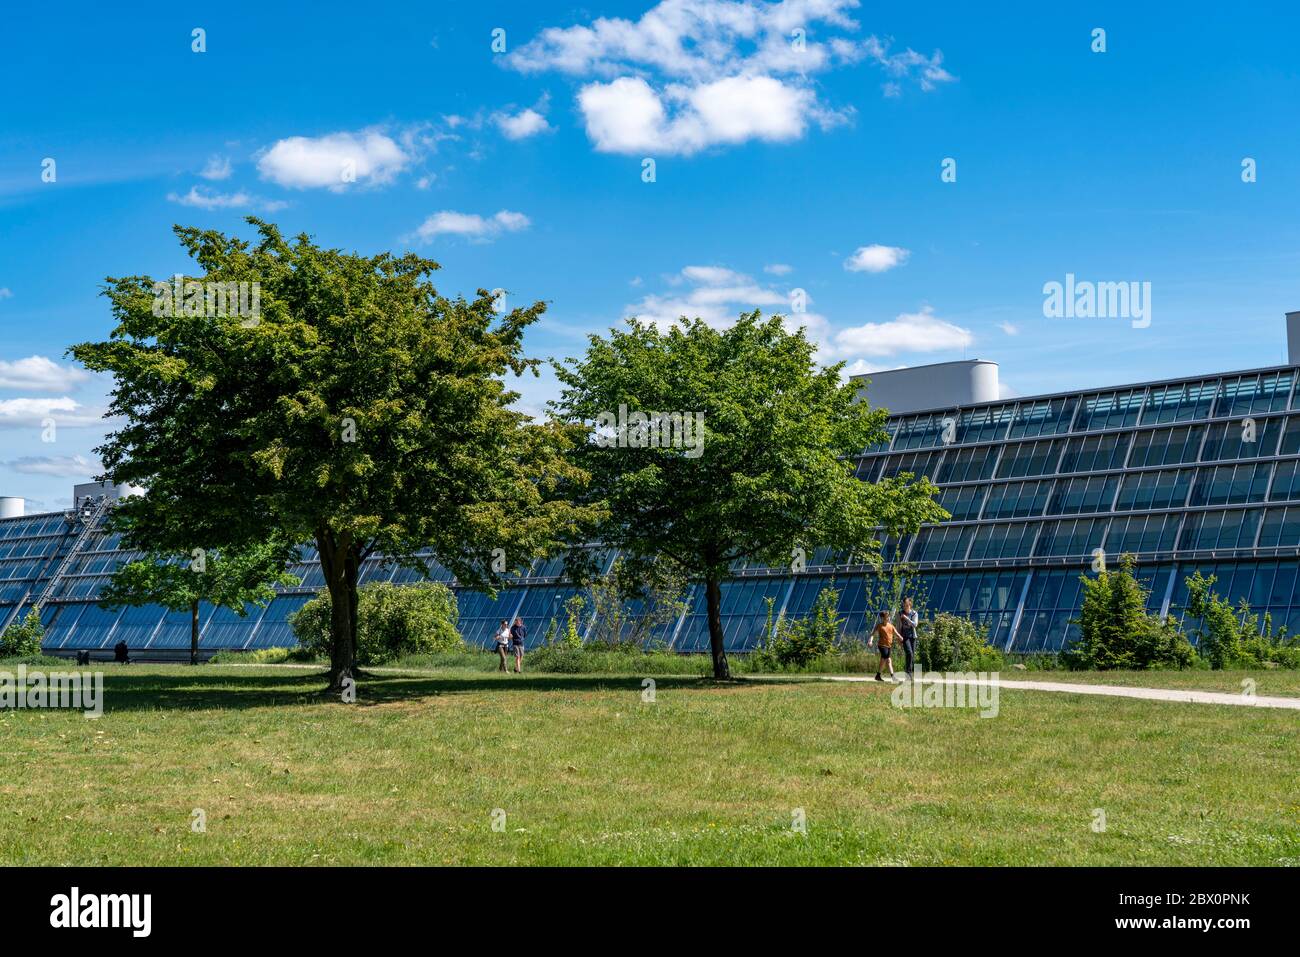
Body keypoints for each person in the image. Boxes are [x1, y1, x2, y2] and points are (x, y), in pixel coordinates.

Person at [870, 611, 897, 682]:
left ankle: (878, 675)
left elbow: (896, 633)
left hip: (889, 646)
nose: (888, 618)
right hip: (882, 645)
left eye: (888, 617)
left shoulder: (890, 626)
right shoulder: (879, 626)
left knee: (887, 660)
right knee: (886, 658)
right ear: (882, 618)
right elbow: (873, 634)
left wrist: (901, 638)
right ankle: (892, 676)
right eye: (886, 617)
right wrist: (870, 641)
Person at [897, 597, 919, 679]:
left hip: (912, 636)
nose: (905, 606)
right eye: (903, 604)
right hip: (904, 637)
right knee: (909, 653)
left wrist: (906, 618)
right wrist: (898, 637)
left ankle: (909, 672)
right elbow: (898, 626)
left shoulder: (914, 613)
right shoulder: (899, 613)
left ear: (910, 604)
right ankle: (908, 674)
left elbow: (915, 624)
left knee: (912, 655)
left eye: (906, 604)